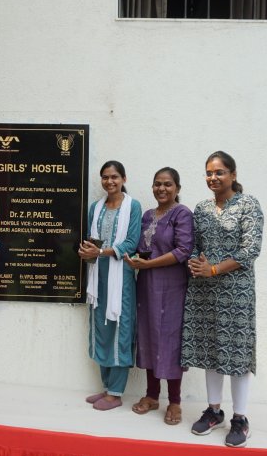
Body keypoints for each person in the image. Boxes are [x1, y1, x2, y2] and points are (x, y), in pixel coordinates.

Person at [181, 151, 264, 448]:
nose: (213, 178)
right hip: (204, 291)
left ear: (233, 174)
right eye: (208, 173)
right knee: (211, 350)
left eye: (219, 172)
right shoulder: (201, 209)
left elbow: (249, 251)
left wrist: (214, 269)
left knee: (237, 352)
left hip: (236, 292)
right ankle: (214, 410)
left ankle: (240, 419)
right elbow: (194, 245)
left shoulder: (248, 205)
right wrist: (194, 263)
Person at [124, 167, 193, 424]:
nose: (161, 189)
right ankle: (152, 396)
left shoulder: (182, 213)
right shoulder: (148, 215)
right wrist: (135, 259)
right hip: (147, 285)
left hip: (172, 286)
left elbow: (183, 250)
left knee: (171, 341)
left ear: (177, 188)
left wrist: (148, 265)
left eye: (167, 184)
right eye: (157, 184)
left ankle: (174, 402)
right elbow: (144, 248)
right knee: (150, 335)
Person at [78, 161, 142, 411]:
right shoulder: (96, 207)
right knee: (101, 328)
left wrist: (102, 251)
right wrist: (87, 253)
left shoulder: (132, 206)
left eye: (114, 177)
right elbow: (90, 240)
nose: (109, 182)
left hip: (121, 276)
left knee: (119, 329)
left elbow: (132, 242)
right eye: (105, 177)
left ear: (124, 178)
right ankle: (106, 387)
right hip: (98, 275)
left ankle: (116, 394)